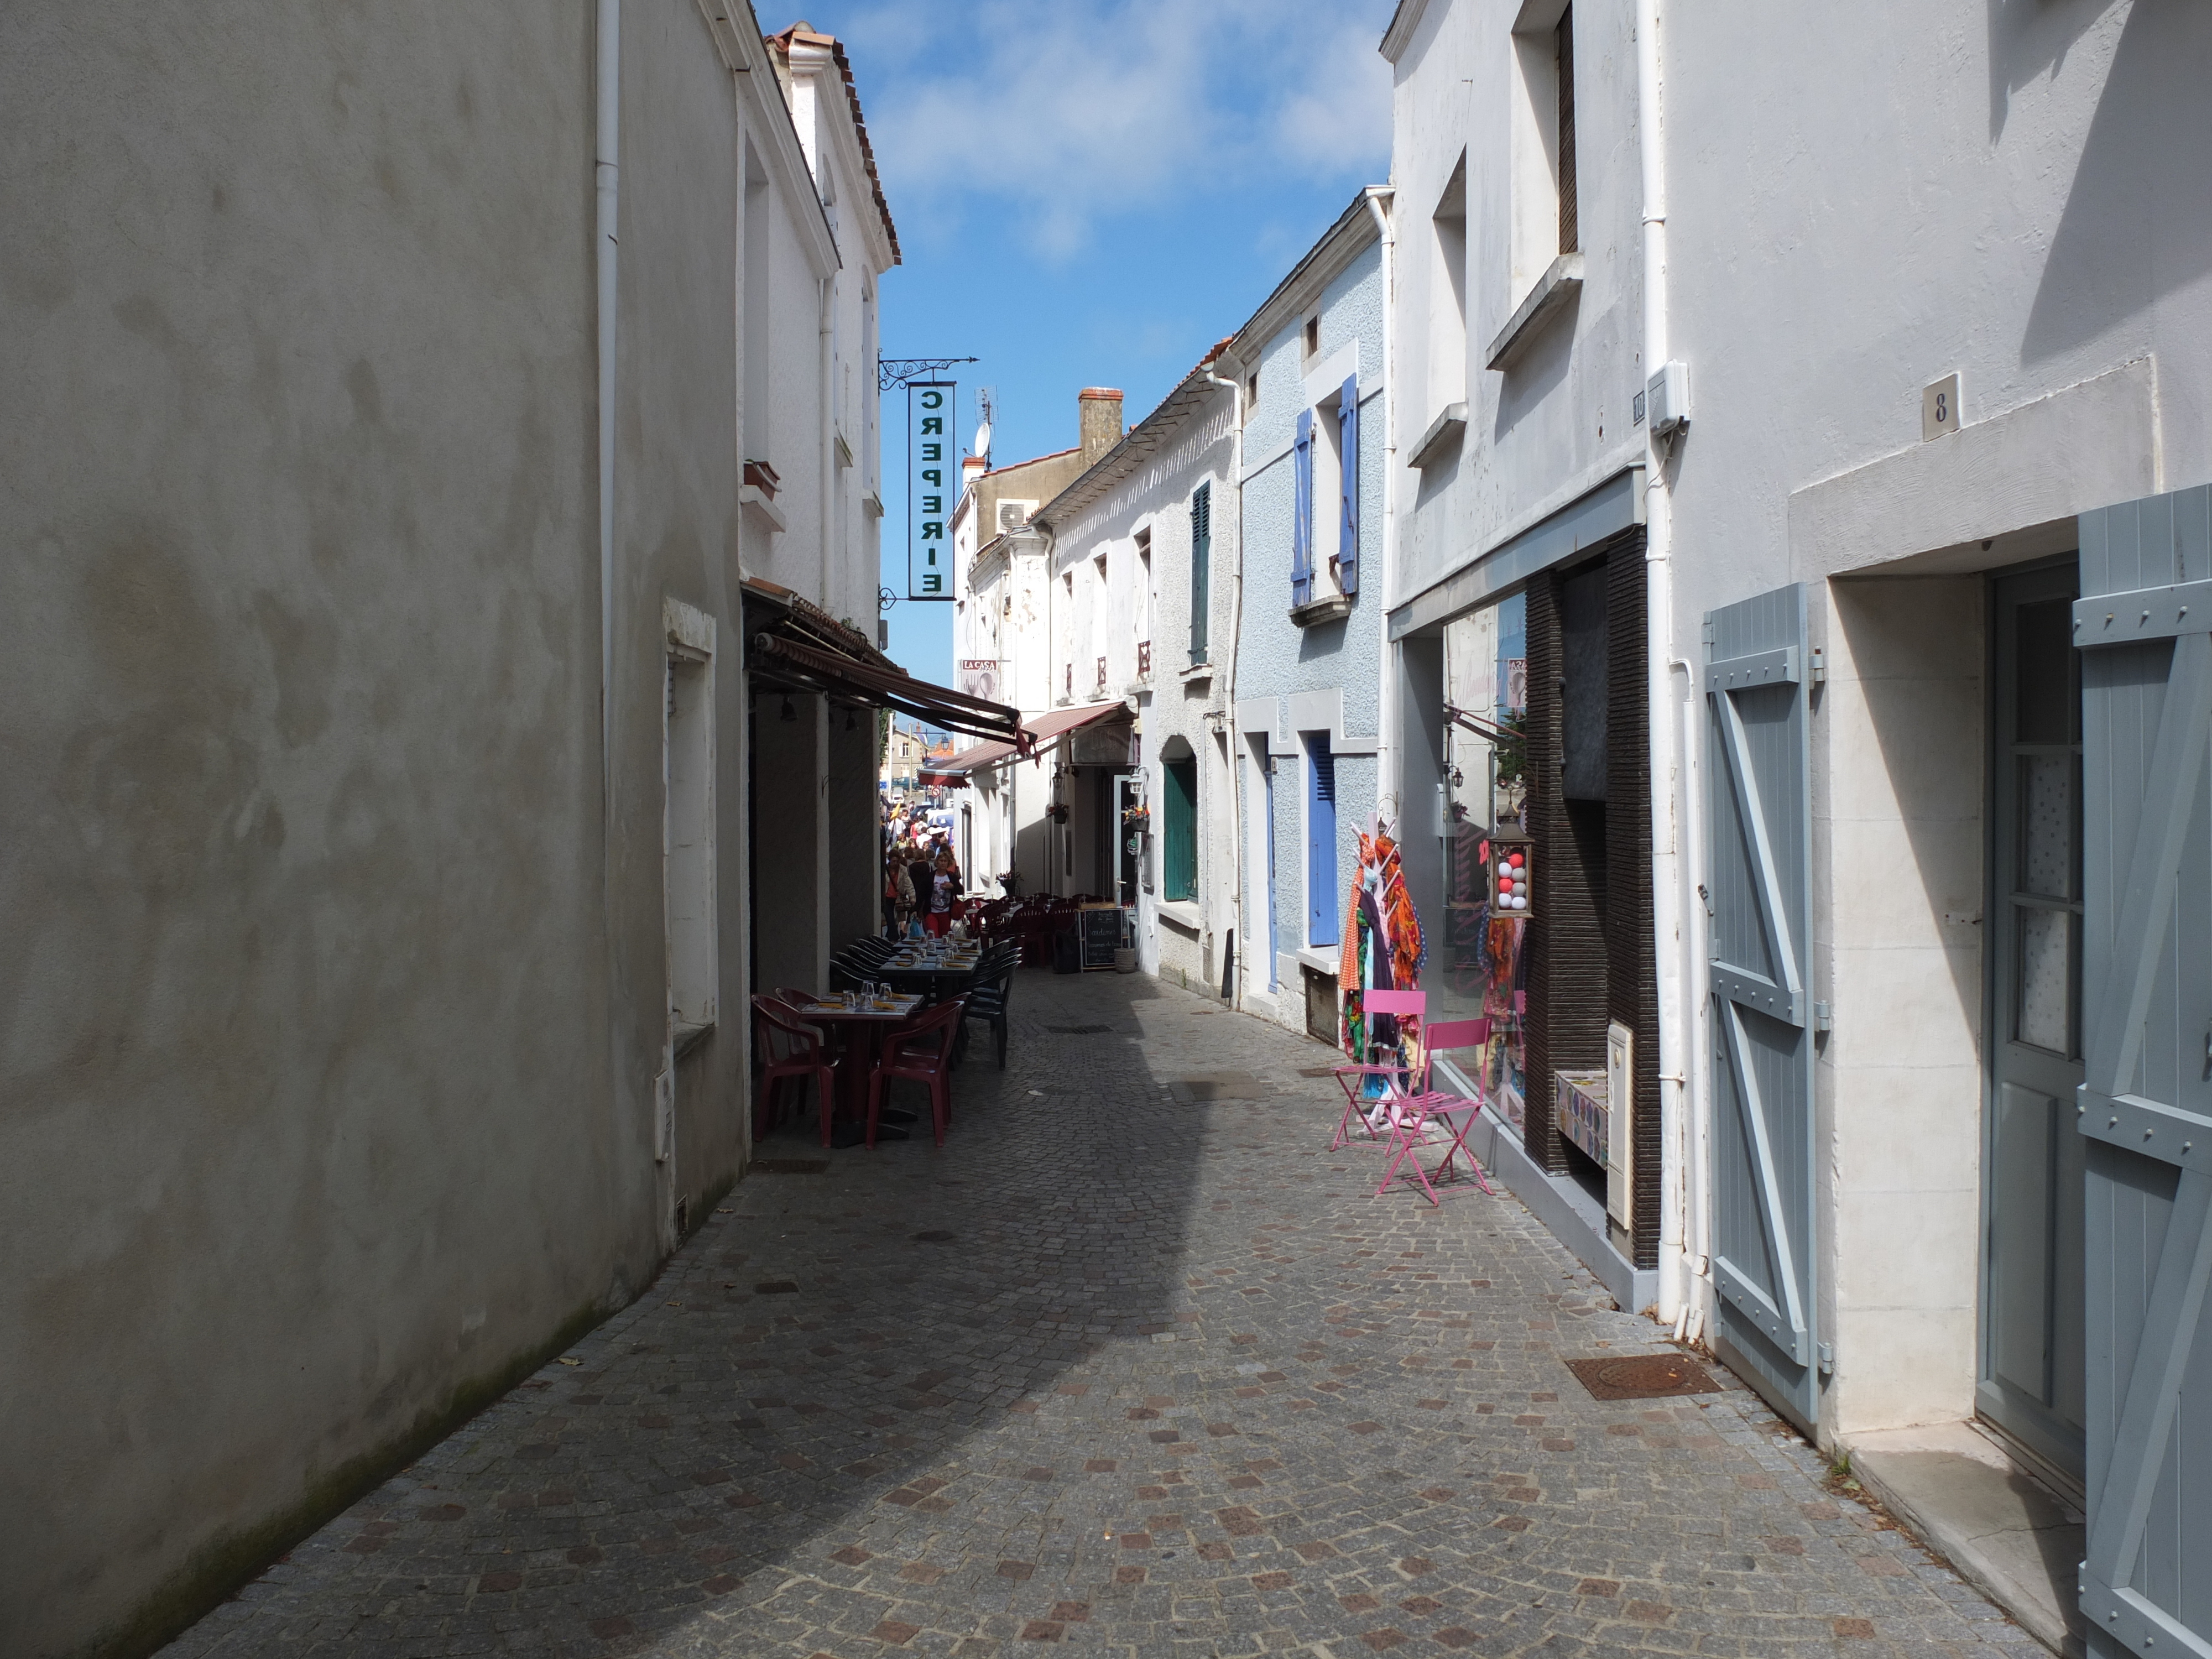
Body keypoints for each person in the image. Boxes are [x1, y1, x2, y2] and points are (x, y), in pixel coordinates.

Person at [924, 851, 963, 937]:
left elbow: (961, 891)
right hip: (931, 912)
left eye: (945, 861)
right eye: (941, 861)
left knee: (944, 937)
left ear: (948, 863)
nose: (943, 863)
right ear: (937, 862)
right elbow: (923, 893)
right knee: (933, 936)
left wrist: (952, 886)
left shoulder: (951, 877)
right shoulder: (930, 877)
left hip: (946, 912)